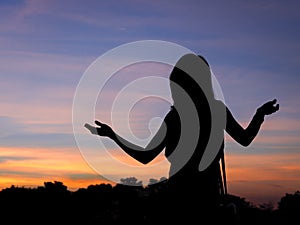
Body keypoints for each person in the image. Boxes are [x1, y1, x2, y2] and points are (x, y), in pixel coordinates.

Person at [84, 53, 279, 223]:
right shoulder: (217, 111)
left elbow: (145, 156)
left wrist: (113, 136)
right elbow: (245, 139)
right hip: (209, 198)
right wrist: (259, 115)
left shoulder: (175, 118)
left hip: (178, 199)